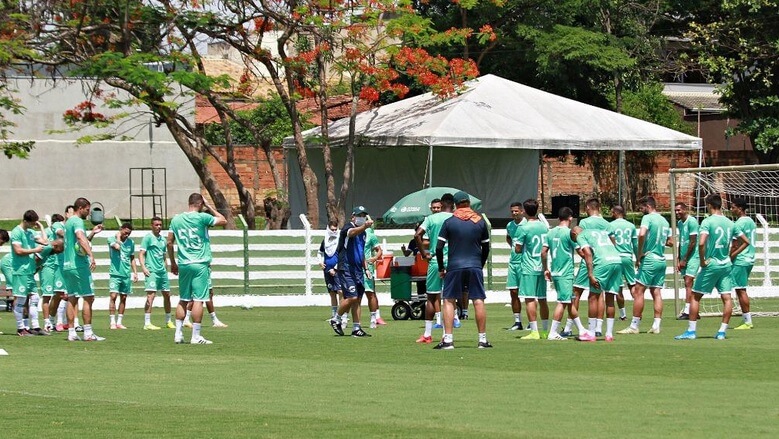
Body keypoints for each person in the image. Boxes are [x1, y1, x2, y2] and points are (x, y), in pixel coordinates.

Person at [433, 191, 491, 350]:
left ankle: (448, 340)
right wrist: (480, 263)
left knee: (449, 300)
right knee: (478, 300)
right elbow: (486, 247)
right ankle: (482, 340)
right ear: (469, 203)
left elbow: (439, 248)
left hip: (454, 266)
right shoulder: (480, 222)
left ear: (455, 205)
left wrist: (441, 267)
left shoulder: (449, 222)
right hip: (474, 265)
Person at [676, 194, 737, 340]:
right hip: (726, 264)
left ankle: (691, 331)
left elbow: (701, 243)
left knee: (695, 296)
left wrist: (703, 261)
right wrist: (728, 256)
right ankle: (722, 331)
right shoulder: (730, 223)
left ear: (709, 205)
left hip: (712, 264)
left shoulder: (707, 222)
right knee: (727, 298)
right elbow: (736, 243)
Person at [168, 193, 227, 344]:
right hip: (200, 263)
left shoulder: (176, 219)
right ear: (200, 203)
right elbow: (223, 220)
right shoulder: (202, 218)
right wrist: (209, 206)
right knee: (199, 300)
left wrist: (173, 263)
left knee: (183, 299)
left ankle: (178, 334)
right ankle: (195, 336)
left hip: (184, 264)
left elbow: (169, 242)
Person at [618, 196, 671, 335]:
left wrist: (640, 253)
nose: (640, 211)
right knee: (656, 292)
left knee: (638, 291)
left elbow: (641, 234)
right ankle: (656, 325)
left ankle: (634, 325)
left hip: (650, 259)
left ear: (648, 206)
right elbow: (670, 241)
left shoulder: (648, 218)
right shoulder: (664, 220)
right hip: (661, 259)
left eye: (641, 208)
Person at [562, 198, 610, 337]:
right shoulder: (606, 224)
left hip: (589, 260)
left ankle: (568, 327)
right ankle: (598, 327)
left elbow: (581, 241)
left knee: (576, 292)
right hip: (602, 260)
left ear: (589, 207)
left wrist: (582, 255)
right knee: (599, 293)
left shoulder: (584, 222)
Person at [571, 223, 623, 342]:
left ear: (574, 233)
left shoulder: (581, 235)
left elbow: (588, 253)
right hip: (617, 260)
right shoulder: (599, 231)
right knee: (610, 298)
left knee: (593, 296)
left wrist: (590, 274)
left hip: (603, 262)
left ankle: (591, 332)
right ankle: (609, 334)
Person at [63, 198, 104, 342]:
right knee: (88, 297)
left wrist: (92, 233)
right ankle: (88, 333)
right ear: (80, 208)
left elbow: (78, 242)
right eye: (87, 209)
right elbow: (80, 238)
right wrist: (91, 255)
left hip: (67, 265)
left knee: (72, 298)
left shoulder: (68, 222)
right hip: (79, 265)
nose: (89, 212)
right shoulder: (78, 221)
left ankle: (71, 333)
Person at [543, 207, 588, 340]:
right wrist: (592, 256)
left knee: (569, 302)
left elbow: (543, 252)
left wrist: (546, 269)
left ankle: (581, 329)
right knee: (563, 302)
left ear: (558, 218)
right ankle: (553, 332)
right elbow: (580, 252)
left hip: (555, 272)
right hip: (565, 273)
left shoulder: (550, 233)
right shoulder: (569, 233)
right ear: (570, 218)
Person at [328, 206, 373, 337]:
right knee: (351, 297)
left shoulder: (363, 233)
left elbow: (361, 252)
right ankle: (336, 319)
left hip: (358, 269)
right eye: (359, 215)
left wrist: (366, 268)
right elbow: (351, 233)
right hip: (346, 268)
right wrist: (364, 226)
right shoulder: (348, 228)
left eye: (364, 215)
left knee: (358, 299)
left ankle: (356, 328)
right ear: (353, 216)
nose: (361, 218)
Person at [415, 194, 454, 343]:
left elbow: (417, 235)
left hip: (435, 262)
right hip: (452, 262)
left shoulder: (431, 219)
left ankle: (427, 334)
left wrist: (424, 254)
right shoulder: (455, 218)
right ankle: (446, 334)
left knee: (431, 297)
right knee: (449, 299)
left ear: (441, 205)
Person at [513, 199, 549, 340]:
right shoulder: (543, 227)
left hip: (529, 266)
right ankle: (545, 331)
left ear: (525, 212)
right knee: (542, 299)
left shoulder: (524, 228)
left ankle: (534, 331)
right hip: (542, 266)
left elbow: (517, 248)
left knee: (529, 299)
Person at [10, 210, 49, 336]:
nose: (34, 225)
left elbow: (45, 241)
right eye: (32, 223)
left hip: (29, 271)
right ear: (25, 221)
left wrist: (42, 227)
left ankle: (36, 327)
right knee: (21, 300)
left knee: (35, 298)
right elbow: (18, 251)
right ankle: (20, 329)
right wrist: (34, 250)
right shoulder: (16, 232)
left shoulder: (31, 232)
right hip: (20, 271)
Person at [139, 216, 174, 330]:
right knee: (151, 296)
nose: (159, 227)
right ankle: (147, 323)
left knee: (167, 295)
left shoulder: (163, 240)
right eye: (156, 225)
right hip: (152, 271)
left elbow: (164, 254)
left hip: (162, 272)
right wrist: (143, 267)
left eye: (160, 225)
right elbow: (141, 254)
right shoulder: (148, 238)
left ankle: (168, 321)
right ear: (152, 226)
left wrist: (166, 264)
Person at [729, 198, 756, 330]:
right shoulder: (750, 221)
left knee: (740, 290)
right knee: (741, 289)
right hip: (750, 258)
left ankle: (747, 321)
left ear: (740, 208)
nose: (731, 209)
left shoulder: (738, 224)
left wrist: (729, 257)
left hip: (740, 260)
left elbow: (735, 245)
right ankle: (746, 320)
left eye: (733, 207)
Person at [608, 205, 637, 321]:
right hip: (627, 257)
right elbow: (635, 244)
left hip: (616, 258)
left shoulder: (610, 225)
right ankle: (637, 312)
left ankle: (623, 314)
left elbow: (610, 242)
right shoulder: (631, 226)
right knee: (632, 284)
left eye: (611, 212)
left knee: (619, 287)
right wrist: (638, 258)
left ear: (615, 213)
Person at [39, 214, 67, 332]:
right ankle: (46, 322)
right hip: (47, 266)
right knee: (47, 294)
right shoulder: (46, 232)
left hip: (59, 265)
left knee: (60, 294)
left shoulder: (61, 236)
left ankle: (51, 319)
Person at [107, 223, 138, 330]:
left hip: (126, 274)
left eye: (128, 234)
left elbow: (132, 257)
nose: (127, 236)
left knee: (124, 297)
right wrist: (118, 238)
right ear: (121, 230)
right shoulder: (111, 239)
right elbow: (117, 247)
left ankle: (119, 322)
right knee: (113, 296)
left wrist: (135, 272)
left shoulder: (131, 243)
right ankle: (112, 322)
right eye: (125, 233)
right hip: (115, 273)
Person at [674, 202, 699, 320]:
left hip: (693, 256)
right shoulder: (679, 223)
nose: (677, 212)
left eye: (679, 210)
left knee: (689, 281)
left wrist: (684, 259)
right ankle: (694, 310)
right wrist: (679, 258)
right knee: (687, 282)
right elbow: (681, 240)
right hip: (684, 256)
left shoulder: (692, 221)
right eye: (675, 210)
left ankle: (688, 311)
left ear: (685, 209)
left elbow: (693, 242)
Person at [318, 220, 344, 323]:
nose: (333, 231)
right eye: (332, 229)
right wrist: (320, 262)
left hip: (338, 270)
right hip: (327, 270)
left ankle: (341, 315)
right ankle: (334, 315)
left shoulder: (340, 240)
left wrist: (336, 268)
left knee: (340, 291)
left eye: (335, 229)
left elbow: (343, 256)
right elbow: (319, 252)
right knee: (332, 293)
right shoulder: (325, 240)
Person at [505, 202, 525, 330]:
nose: (514, 213)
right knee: (513, 292)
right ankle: (518, 322)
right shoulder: (510, 225)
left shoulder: (527, 225)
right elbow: (508, 238)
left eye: (516, 211)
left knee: (529, 294)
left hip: (525, 262)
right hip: (513, 263)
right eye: (512, 211)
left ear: (522, 211)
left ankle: (531, 322)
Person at [363, 222, 386, 328]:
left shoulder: (370, 235)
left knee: (370, 293)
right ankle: (348, 321)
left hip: (368, 268)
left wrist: (374, 258)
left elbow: (379, 250)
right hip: (355, 268)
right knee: (354, 296)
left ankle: (375, 318)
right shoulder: (353, 233)